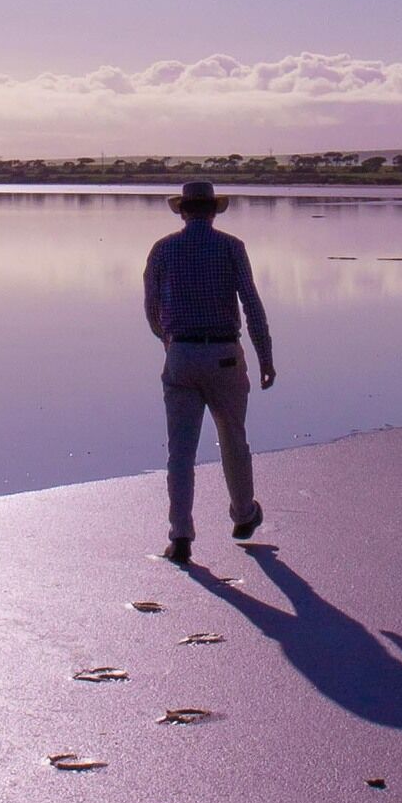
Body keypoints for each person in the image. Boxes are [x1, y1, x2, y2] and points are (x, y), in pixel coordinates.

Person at [143, 177, 274, 564]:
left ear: (183, 212)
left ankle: (180, 535)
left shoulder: (163, 250)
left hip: (181, 354)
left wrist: (167, 340)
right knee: (233, 438)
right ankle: (243, 513)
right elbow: (251, 304)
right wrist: (265, 355)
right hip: (225, 354)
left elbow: (151, 307)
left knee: (180, 451)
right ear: (213, 213)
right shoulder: (231, 248)